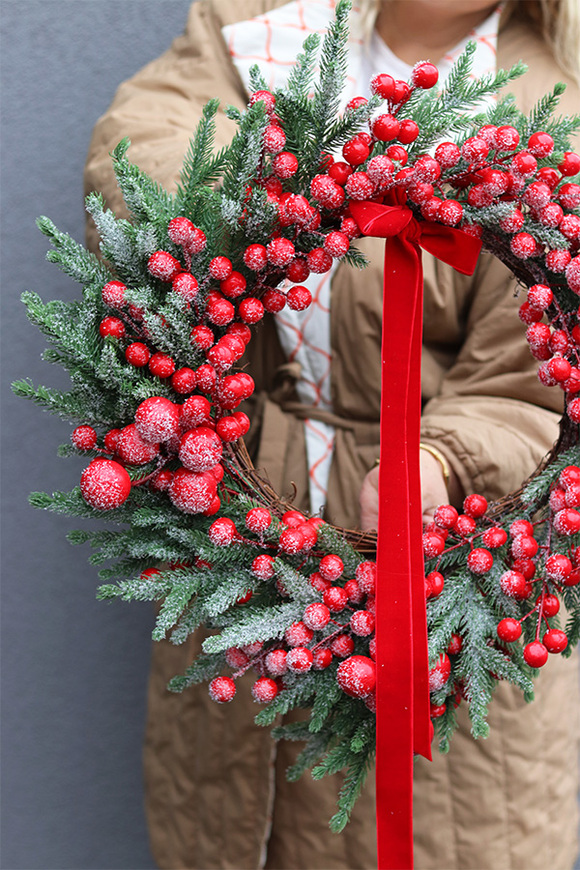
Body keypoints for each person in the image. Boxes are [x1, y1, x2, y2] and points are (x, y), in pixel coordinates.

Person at [84, 1, 580, 867]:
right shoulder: (262, 28)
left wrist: (439, 465)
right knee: (237, 816)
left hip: (445, 571)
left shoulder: (558, 100)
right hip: (243, 515)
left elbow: (537, 385)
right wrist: (304, 189)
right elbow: (137, 158)